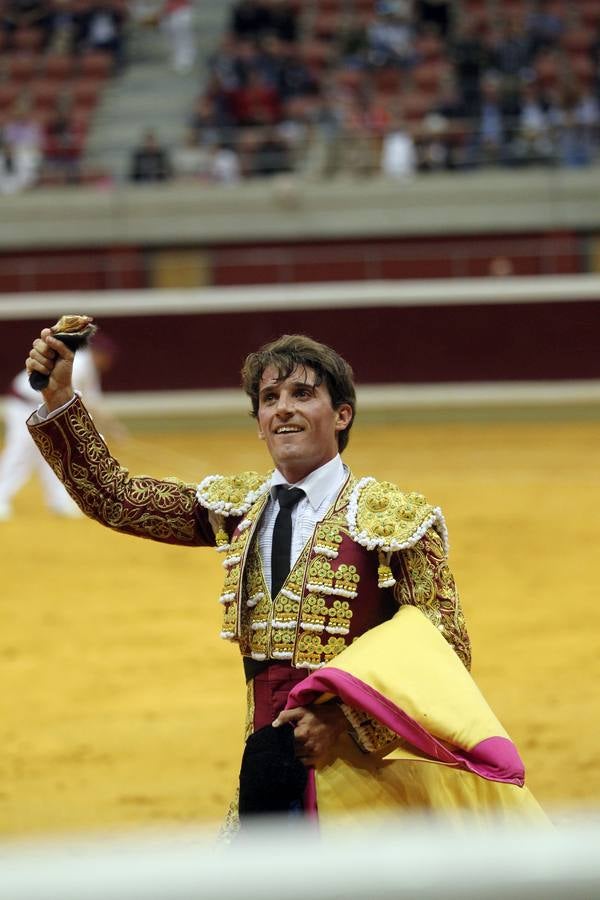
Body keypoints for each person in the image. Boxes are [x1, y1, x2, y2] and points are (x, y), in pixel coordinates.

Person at [23, 325, 547, 831]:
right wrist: (60, 400)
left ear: (342, 415)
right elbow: (117, 499)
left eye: (302, 393)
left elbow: (447, 650)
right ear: (259, 423)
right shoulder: (238, 507)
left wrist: (343, 721)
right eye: (270, 398)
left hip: (366, 778)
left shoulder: (395, 519)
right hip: (265, 773)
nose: (283, 408)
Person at [0, 333, 118, 520]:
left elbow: (93, 402)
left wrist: (113, 428)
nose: (108, 361)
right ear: (98, 353)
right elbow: (69, 398)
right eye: (107, 356)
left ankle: (59, 501)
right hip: (24, 405)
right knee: (20, 453)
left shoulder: (88, 367)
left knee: (55, 454)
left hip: (42, 408)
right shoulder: (77, 363)